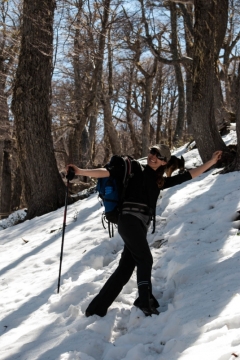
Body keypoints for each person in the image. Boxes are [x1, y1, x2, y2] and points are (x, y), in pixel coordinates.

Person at [66, 144, 222, 317]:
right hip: (128, 221)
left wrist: (211, 161)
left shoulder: (158, 182)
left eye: (158, 155)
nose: (152, 156)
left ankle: (96, 309)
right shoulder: (135, 170)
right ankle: (144, 301)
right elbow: (106, 172)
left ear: (164, 162)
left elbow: (188, 176)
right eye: (152, 152)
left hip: (139, 227)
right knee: (145, 259)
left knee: (125, 268)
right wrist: (80, 171)